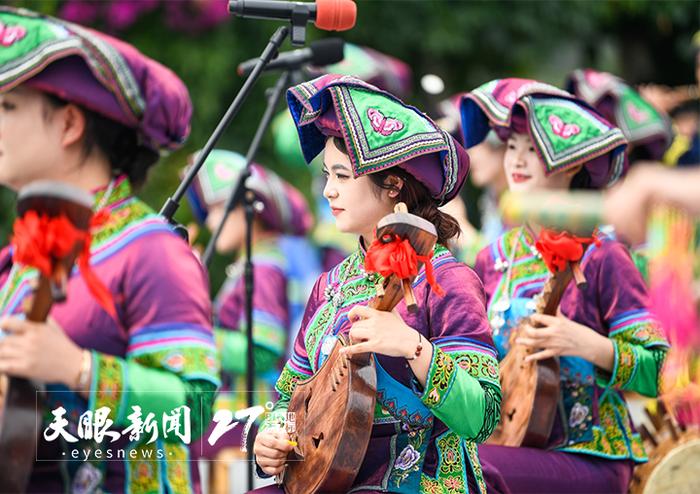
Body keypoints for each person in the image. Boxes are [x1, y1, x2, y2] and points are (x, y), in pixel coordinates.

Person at [0, 7, 219, 492]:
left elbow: (194, 409)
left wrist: (78, 368)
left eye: (8, 108)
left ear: (70, 124)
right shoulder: (18, 260)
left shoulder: (150, 250)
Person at [252, 74, 501, 493]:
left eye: (343, 176)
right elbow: (290, 398)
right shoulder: (329, 285)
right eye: (327, 176)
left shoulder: (448, 281)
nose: (329, 191)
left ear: (393, 185)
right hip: (327, 479)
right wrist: (273, 438)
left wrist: (414, 348)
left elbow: (484, 417)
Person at [460, 78, 670, 493]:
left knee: (474, 468)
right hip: (511, 439)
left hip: (591, 456)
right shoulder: (493, 256)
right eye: (512, 147)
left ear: (572, 163)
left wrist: (587, 344)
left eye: (533, 150)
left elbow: (659, 370)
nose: (516, 161)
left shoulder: (603, 254)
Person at [184, 150, 320, 488]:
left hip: (250, 418)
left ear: (248, 206)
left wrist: (196, 333)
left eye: (216, 209)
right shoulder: (256, 262)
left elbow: (261, 349)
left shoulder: (262, 267)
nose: (209, 223)